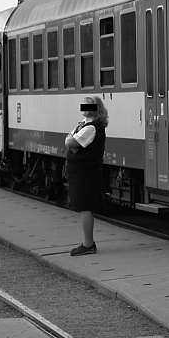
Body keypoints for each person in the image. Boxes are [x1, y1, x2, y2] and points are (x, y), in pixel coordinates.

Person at [65, 95, 108, 256]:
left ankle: (88, 244)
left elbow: (71, 142)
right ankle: (88, 243)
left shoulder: (91, 127)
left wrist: (72, 143)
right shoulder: (85, 125)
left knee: (84, 206)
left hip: (85, 172)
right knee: (83, 206)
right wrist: (71, 142)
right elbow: (69, 139)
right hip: (82, 172)